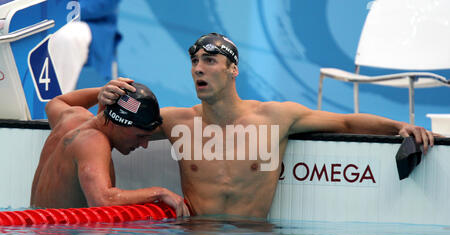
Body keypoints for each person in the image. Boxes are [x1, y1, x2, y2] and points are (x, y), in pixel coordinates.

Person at [97, 33, 437, 218]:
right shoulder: (176, 121)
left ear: (233, 70)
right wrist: (103, 97)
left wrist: (399, 126)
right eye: (195, 61)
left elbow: (347, 120)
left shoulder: (276, 117)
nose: (198, 68)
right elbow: (104, 128)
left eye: (210, 60)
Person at [30, 82, 190, 217]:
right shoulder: (93, 141)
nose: (144, 144)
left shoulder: (72, 117)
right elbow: (102, 201)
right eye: (140, 136)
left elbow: (54, 102)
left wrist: (103, 91)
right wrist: (160, 192)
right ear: (116, 123)